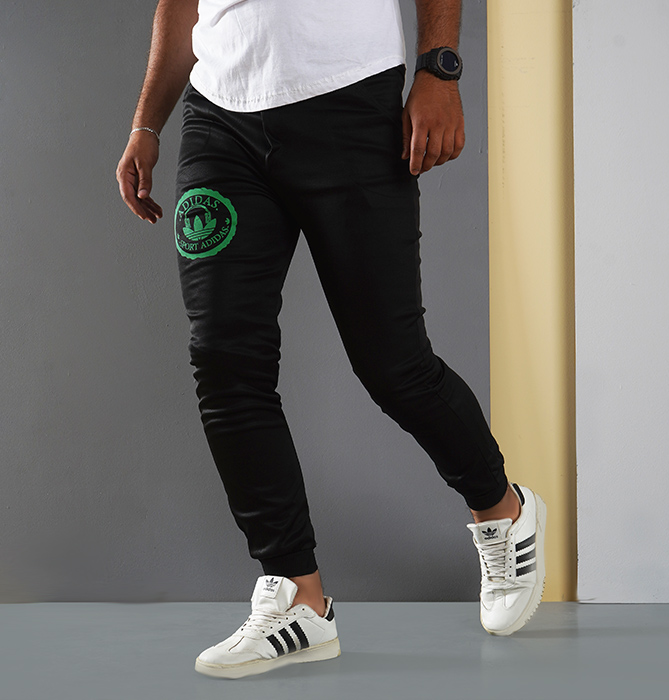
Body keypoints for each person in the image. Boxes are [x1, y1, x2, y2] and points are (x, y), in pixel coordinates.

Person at [116, 0, 547, 680]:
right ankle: (298, 597)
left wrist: (439, 69)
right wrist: (147, 122)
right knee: (224, 361)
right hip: (219, 119)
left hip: (349, 98)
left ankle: (502, 508)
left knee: (392, 364)